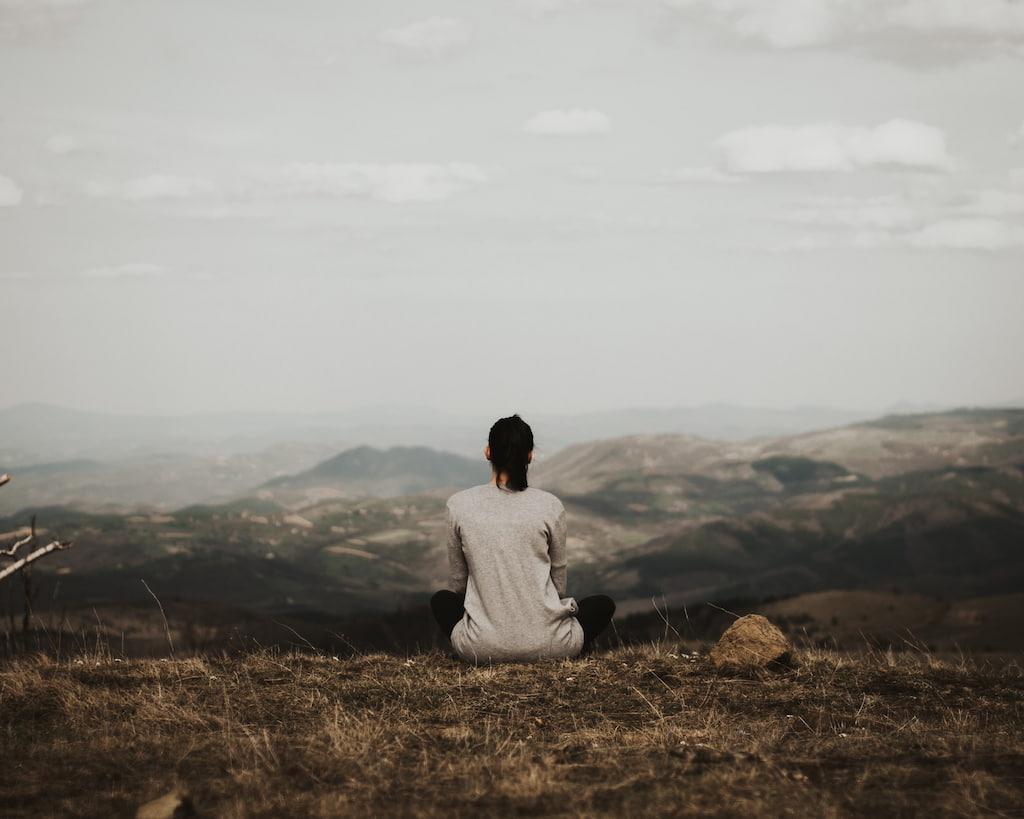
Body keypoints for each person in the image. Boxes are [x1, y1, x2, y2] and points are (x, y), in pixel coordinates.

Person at [431, 414, 615, 663]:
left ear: (487, 452)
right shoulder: (550, 505)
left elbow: (460, 584)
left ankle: (488, 642)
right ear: (529, 455)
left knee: (442, 600)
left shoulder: (458, 505)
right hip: (552, 647)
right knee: (602, 604)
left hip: (480, 649)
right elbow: (558, 585)